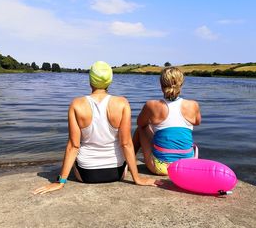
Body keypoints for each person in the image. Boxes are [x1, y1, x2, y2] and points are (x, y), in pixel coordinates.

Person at [34, 61, 157, 195]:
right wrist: (137, 178)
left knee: (76, 154)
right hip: (117, 172)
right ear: (109, 81)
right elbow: (126, 143)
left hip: (86, 174)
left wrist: (60, 181)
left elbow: (73, 146)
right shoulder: (122, 103)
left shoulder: (76, 104)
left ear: (90, 80)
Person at [133, 66, 201, 176]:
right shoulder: (193, 105)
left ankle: (128, 162)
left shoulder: (151, 105)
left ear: (161, 85)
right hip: (187, 167)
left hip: (162, 168)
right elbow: (197, 122)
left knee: (141, 128)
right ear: (181, 84)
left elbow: (140, 123)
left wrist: (153, 122)